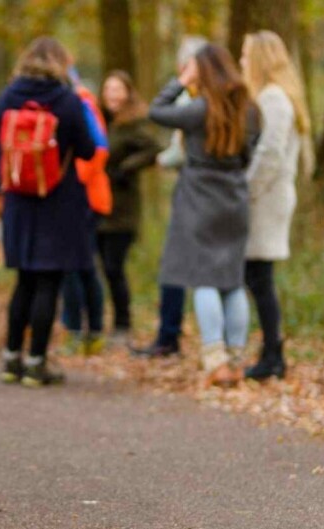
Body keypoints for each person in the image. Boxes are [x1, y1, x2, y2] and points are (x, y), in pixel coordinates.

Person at [149, 43, 260, 387]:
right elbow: (249, 154)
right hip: (235, 197)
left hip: (199, 197)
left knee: (205, 279)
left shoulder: (198, 109)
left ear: (202, 71)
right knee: (232, 279)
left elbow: (157, 110)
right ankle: (238, 358)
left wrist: (181, 81)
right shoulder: (250, 110)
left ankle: (215, 360)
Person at [0, 37, 96, 386]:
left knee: (23, 280)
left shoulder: (8, 96)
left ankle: (11, 359)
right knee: (48, 282)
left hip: (19, 202)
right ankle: (37, 362)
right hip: (57, 201)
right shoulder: (67, 100)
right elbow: (86, 149)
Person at [240, 30, 312, 380]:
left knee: (259, 277)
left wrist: (246, 189)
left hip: (266, 199)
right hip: (267, 196)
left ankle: (273, 354)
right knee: (257, 277)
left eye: (244, 55)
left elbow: (271, 153)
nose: (241, 61)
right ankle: (270, 351)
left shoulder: (274, 99)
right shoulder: (276, 97)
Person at [134, 35, 207, 358]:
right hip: (217, 194)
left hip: (193, 191)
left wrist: (158, 161)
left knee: (176, 267)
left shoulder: (191, 101)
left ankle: (169, 336)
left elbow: (177, 146)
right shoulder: (228, 99)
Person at [97, 70, 162, 340]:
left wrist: (126, 168)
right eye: (108, 89)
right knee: (102, 268)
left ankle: (123, 323)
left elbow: (153, 149)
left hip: (122, 210)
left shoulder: (134, 124)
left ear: (127, 93)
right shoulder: (102, 121)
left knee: (114, 267)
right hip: (100, 206)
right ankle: (103, 321)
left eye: (117, 90)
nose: (112, 95)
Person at [60, 66, 110, 355]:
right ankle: (82, 330)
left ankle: (87, 331)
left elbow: (99, 149)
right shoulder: (75, 101)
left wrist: (71, 180)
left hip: (86, 200)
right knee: (78, 268)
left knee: (81, 268)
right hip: (78, 199)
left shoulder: (83, 102)